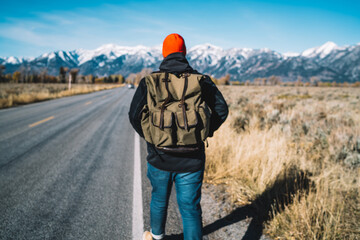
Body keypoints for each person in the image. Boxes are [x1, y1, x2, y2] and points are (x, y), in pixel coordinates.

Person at [129, 33, 228, 240]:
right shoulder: (202, 81)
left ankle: (156, 237)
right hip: (192, 159)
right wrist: (204, 131)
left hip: (159, 157)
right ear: (184, 53)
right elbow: (221, 110)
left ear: (164, 53)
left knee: (158, 200)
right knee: (190, 208)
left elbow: (134, 115)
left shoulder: (150, 81)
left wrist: (152, 137)